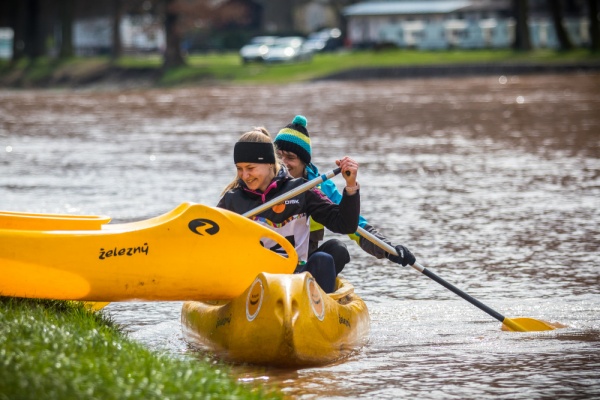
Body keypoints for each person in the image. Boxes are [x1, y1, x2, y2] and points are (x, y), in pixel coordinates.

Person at [217, 126, 361, 293]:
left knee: (332, 252)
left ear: (270, 163)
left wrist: (351, 186)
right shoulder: (232, 199)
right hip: (252, 279)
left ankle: (319, 307)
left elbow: (345, 225)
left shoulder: (301, 190)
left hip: (296, 277)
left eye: (250, 168)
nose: (244, 175)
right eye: (239, 169)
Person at [274, 115, 415, 273]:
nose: (283, 163)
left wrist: (390, 250)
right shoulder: (263, 180)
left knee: (338, 249)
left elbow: (356, 227)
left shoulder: (321, 188)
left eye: (290, 158)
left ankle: (315, 290)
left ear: (304, 162)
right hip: (268, 256)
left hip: (303, 260)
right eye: (279, 156)